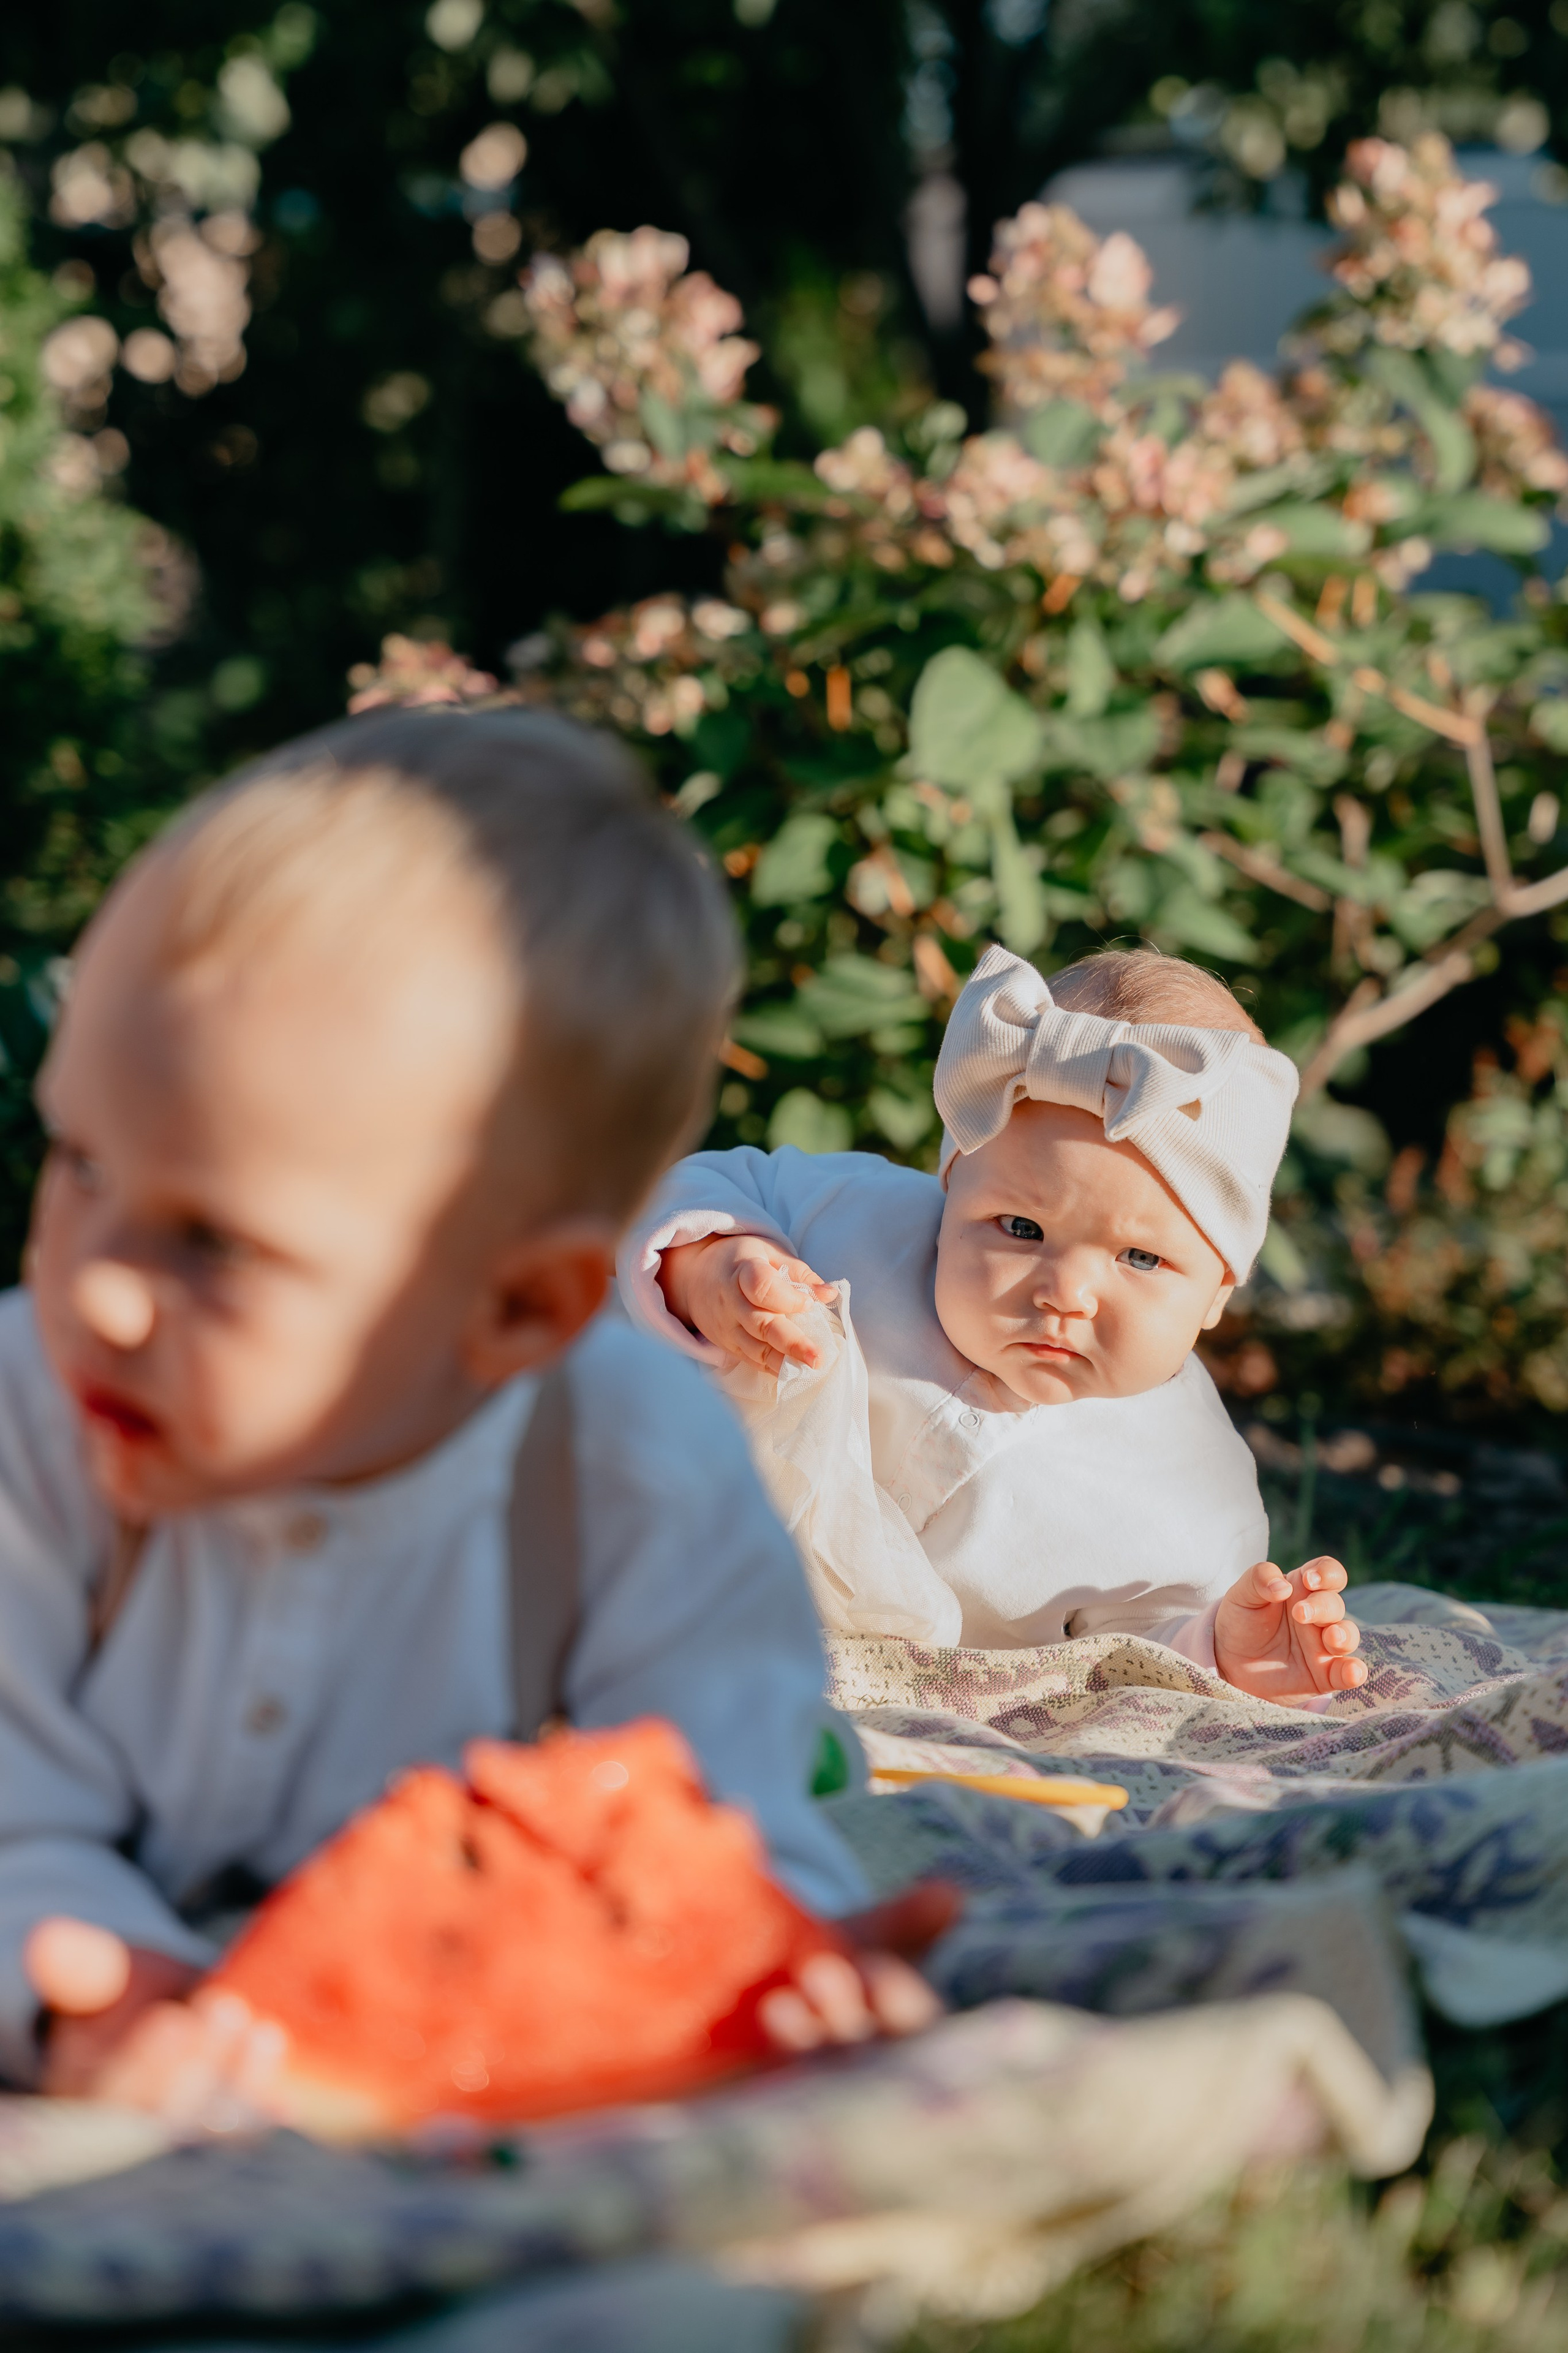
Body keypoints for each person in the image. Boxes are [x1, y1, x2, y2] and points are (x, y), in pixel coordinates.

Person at [1, 706, 938, 2123]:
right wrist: (82, 1985)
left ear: (517, 1311)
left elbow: (714, 1828)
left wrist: (767, 1966)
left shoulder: (634, 1469)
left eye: (215, 1242)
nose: (103, 1292)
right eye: (78, 1160)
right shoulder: (29, 1414)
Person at [620, 943, 1365, 1702]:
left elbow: (1145, 1646)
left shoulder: (1193, 1488)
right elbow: (707, 1182)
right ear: (951, 1190)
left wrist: (1225, 1650)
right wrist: (715, 1260)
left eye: (1140, 1258)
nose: (1065, 1294)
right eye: (1019, 1226)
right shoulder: (859, 1219)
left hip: (869, 1703)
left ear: (1217, 1294)